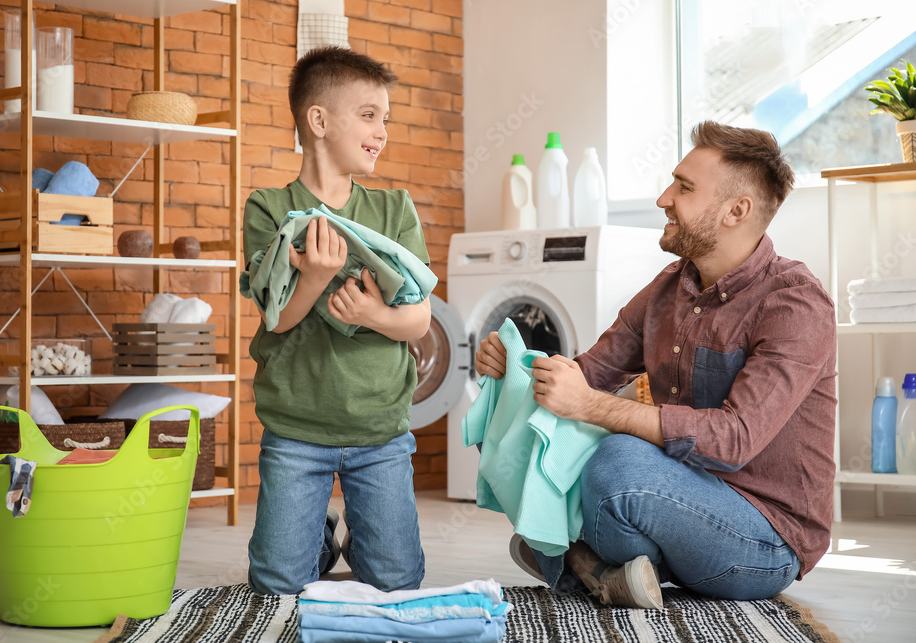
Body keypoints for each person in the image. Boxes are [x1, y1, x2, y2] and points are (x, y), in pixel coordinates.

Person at [475, 121, 836, 609]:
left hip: (765, 538)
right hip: (675, 498)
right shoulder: (670, 287)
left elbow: (734, 440)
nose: (664, 198)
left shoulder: (795, 303)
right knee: (535, 430)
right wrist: (517, 369)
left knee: (616, 461)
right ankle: (611, 571)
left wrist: (592, 408)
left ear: (737, 210)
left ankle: (586, 561)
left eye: (684, 188)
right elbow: (588, 372)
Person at [243, 46, 431, 595]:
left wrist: (375, 313)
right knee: (277, 584)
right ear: (318, 120)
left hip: (380, 430)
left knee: (398, 582)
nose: (382, 131)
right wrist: (314, 279)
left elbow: (418, 321)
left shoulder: (395, 210)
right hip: (296, 430)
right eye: (368, 115)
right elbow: (276, 320)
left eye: (385, 119)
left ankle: (353, 536)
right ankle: (318, 536)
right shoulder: (270, 208)